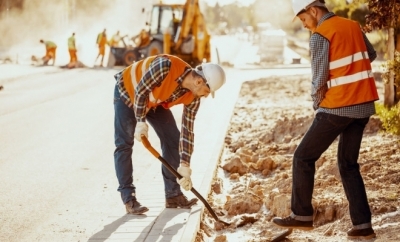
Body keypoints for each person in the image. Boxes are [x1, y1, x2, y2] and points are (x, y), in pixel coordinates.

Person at [272, 0, 379, 240]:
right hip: (363, 107)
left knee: (302, 157)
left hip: (338, 107)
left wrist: (317, 105)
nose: (304, 25)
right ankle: (363, 227)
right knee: (348, 165)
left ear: (313, 10)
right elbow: (370, 55)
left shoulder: (321, 35)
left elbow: (319, 78)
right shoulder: (352, 25)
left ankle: (301, 215)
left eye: (303, 20)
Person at [113, 54, 226, 214]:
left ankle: (173, 195)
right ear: (199, 81)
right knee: (124, 144)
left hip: (153, 101)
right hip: (128, 91)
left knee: (173, 139)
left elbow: (187, 131)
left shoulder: (193, 98)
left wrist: (185, 167)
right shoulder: (165, 66)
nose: (206, 95)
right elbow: (140, 90)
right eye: (207, 91)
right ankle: (129, 198)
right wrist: (140, 121)